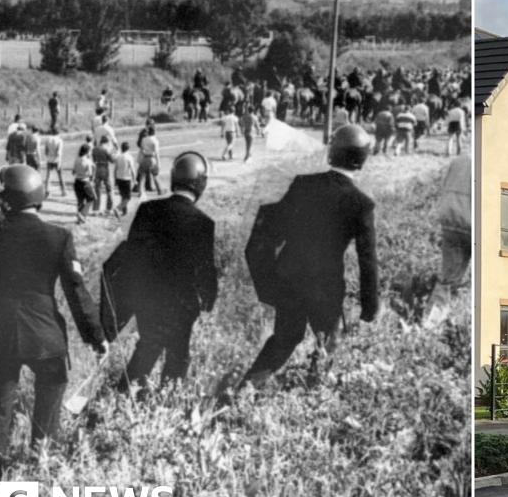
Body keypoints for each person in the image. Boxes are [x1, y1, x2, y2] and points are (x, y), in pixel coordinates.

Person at [0, 165, 107, 485]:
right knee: (48, 417)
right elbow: (77, 291)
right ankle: (43, 480)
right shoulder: (59, 237)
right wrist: (95, 336)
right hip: (46, 337)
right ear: (38, 197)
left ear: (5, 200)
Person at [240, 124, 378, 386]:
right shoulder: (361, 203)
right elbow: (367, 260)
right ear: (362, 160)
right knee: (330, 341)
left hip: (288, 278)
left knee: (284, 339)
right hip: (325, 288)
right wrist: (370, 306)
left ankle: (242, 393)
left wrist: (267, 280)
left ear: (332, 153)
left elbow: (268, 232)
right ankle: (314, 393)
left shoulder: (303, 184)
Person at [115, 152, 216, 392]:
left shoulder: (148, 209)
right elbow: (205, 268)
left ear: (174, 178)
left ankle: (123, 397)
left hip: (147, 297)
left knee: (147, 346)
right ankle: (169, 401)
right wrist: (209, 298)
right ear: (200, 183)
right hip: (182, 302)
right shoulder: (203, 222)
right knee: (178, 352)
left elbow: (133, 254)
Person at [91, 136, 116, 214]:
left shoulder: (94, 149)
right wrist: (115, 154)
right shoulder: (107, 149)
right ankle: (109, 208)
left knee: (97, 189)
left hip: (97, 168)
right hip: (105, 168)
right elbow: (112, 160)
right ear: (106, 142)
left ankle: (96, 209)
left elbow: (94, 159)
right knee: (109, 189)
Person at [72, 144, 95, 224]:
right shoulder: (87, 161)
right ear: (87, 152)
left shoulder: (77, 159)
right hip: (85, 182)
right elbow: (90, 174)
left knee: (80, 201)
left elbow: (73, 172)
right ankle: (82, 215)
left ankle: (80, 219)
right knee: (92, 198)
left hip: (77, 181)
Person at [113, 141, 137, 216]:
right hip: (126, 178)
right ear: (128, 148)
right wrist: (135, 180)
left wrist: (115, 180)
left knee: (123, 196)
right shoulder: (129, 157)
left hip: (119, 178)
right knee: (128, 197)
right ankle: (118, 208)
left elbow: (115, 170)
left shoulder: (118, 157)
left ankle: (124, 211)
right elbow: (132, 169)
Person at [138, 125, 162, 198]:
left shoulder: (144, 139)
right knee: (155, 175)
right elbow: (157, 153)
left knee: (142, 176)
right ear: (154, 132)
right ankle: (159, 190)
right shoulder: (155, 140)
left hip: (145, 157)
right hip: (152, 158)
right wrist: (158, 163)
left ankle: (140, 191)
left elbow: (142, 149)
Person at [42, 129, 65, 197]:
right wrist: (59, 161)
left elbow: (46, 152)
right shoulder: (59, 140)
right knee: (60, 176)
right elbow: (59, 153)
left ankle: (47, 190)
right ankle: (63, 191)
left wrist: (49, 156)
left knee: (48, 176)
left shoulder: (48, 140)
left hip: (49, 159)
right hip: (56, 160)